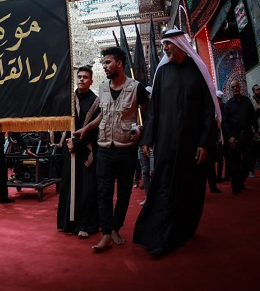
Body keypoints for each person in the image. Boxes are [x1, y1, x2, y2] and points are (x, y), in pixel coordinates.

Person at [133, 29, 219, 256]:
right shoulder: (162, 73)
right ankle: (160, 237)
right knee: (164, 187)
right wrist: (148, 138)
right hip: (166, 143)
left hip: (191, 145)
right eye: (163, 46)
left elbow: (207, 110)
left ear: (180, 44)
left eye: (168, 44)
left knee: (187, 188)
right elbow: (154, 110)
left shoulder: (197, 71)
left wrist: (204, 143)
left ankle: (182, 230)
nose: (165, 49)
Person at [91, 46, 148, 252]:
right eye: (103, 62)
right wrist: (86, 128)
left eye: (107, 62)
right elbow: (102, 114)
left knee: (124, 193)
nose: (104, 66)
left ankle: (116, 228)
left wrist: (142, 132)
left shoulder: (136, 88)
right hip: (104, 148)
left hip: (127, 149)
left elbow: (149, 113)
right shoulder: (102, 88)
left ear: (119, 63)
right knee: (103, 192)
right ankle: (106, 233)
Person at [57, 66, 101, 238]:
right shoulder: (68, 100)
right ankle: (68, 224)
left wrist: (76, 143)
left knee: (87, 187)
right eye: (79, 77)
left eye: (85, 77)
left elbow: (95, 129)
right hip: (69, 149)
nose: (81, 79)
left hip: (86, 149)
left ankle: (86, 225)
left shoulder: (96, 101)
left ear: (91, 81)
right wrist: (68, 142)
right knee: (69, 184)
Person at [222, 80, 258, 195]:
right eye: (233, 87)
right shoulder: (228, 105)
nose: (235, 88)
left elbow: (253, 117)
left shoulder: (247, 101)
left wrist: (256, 130)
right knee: (235, 162)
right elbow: (225, 123)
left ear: (240, 87)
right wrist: (229, 137)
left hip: (247, 135)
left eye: (237, 86)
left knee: (249, 160)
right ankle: (236, 187)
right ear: (231, 89)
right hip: (235, 136)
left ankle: (241, 179)